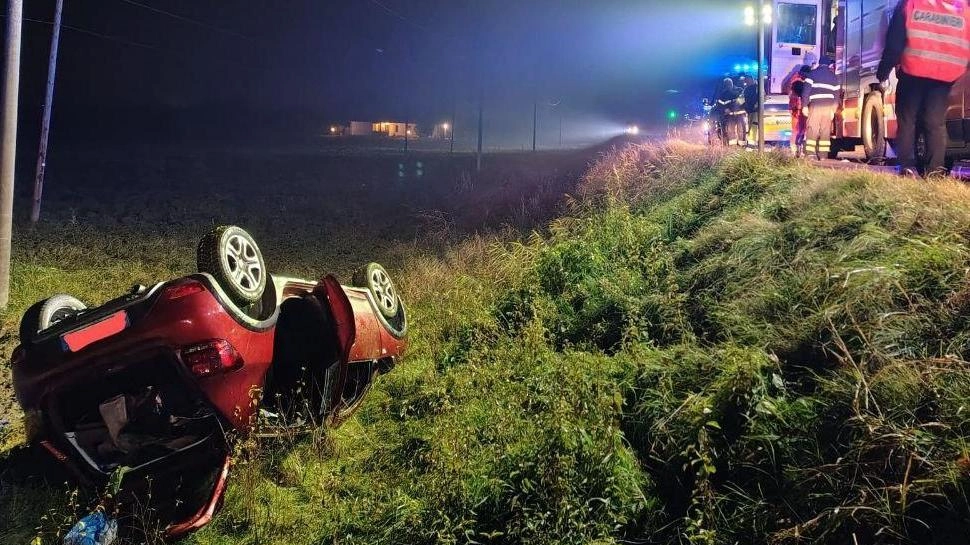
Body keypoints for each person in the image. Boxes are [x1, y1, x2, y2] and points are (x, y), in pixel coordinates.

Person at [877, 0, 970, 178]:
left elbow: (895, 42)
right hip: (945, 75)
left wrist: (883, 71)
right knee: (935, 123)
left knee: (907, 120)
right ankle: (935, 171)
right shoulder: (961, 7)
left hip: (914, 70)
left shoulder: (911, 3)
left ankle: (907, 168)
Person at [801, 55, 840, 159]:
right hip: (828, 108)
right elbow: (836, 96)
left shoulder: (812, 75)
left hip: (815, 106)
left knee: (812, 128)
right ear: (829, 64)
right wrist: (833, 110)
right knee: (825, 130)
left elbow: (806, 92)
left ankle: (810, 154)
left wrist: (804, 106)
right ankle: (823, 155)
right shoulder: (834, 77)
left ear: (819, 63)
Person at [788, 65, 812, 156]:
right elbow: (802, 93)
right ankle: (795, 148)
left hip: (799, 108)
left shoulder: (797, 80)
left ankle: (798, 147)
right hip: (797, 109)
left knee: (801, 129)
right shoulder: (797, 81)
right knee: (797, 129)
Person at [715, 78, 745, 146]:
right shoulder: (723, 93)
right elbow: (720, 103)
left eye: (728, 84)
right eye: (726, 85)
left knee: (741, 130)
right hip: (730, 115)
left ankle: (742, 145)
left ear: (731, 83)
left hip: (740, 113)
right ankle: (733, 146)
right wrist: (725, 109)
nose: (727, 86)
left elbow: (742, 100)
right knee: (730, 131)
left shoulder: (739, 90)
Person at [742, 74, 759, 145]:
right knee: (750, 126)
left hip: (755, 111)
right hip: (749, 111)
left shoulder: (757, 88)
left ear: (751, 79)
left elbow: (762, 97)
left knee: (754, 126)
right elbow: (744, 100)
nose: (746, 82)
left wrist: (756, 105)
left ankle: (753, 143)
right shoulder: (746, 89)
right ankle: (752, 142)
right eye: (746, 81)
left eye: (747, 80)